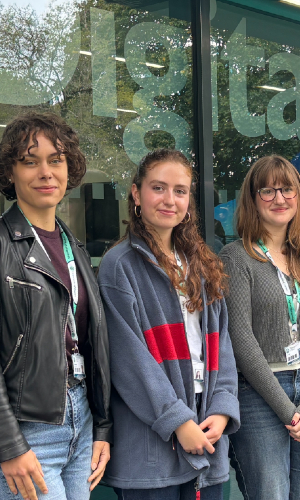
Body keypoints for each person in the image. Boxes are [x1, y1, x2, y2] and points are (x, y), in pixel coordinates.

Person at [0, 112, 112, 500]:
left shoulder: (72, 245)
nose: (45, 172)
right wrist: (8, 445)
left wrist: (102, 427)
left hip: (80, 419)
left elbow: (92, 343)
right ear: (10, 172)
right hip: (26, 429)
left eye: (55, 160)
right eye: (30, 161)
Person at [98, 148, 240, 499]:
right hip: (152, 439)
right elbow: (128, 359)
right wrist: (177, 421)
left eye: (180, 191)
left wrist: (222, 409)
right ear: (136, 193)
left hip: (206, 424)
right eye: (158, 188)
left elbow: (221, 345)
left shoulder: (201, 261)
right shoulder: (119, 265)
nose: (169, 200)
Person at [220, 156, 300, 500]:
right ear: (253, 199)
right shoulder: (236, 257)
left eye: (287, 189)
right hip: (260, 395)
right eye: (267, 191)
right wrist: (289, 411)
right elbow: (241, 341)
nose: (279, 198)